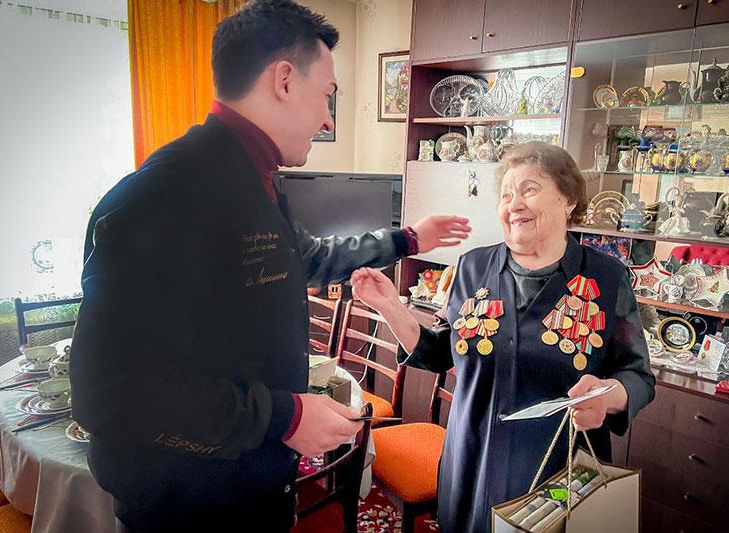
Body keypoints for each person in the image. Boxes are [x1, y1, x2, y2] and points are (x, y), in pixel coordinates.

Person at [68, 1, 471, 531]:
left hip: (250, 487)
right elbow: (108, 392)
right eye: (327, 94)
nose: (328, 118)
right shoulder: (165, 195)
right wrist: (285, 416)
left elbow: (304, 258)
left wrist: (408, 238)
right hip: (189, 504)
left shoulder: (253, 181)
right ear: (283, 80)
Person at [350, 142, 655, 533]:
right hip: (472, 460)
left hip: (555, 469)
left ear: (568, 200)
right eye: (507, 195)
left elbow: (637, 375)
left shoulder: (606, 277)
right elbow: (442, 351)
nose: (514, 204)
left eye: (529, 189)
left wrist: (607, 396)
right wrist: (390, 306)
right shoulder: (473, 267)